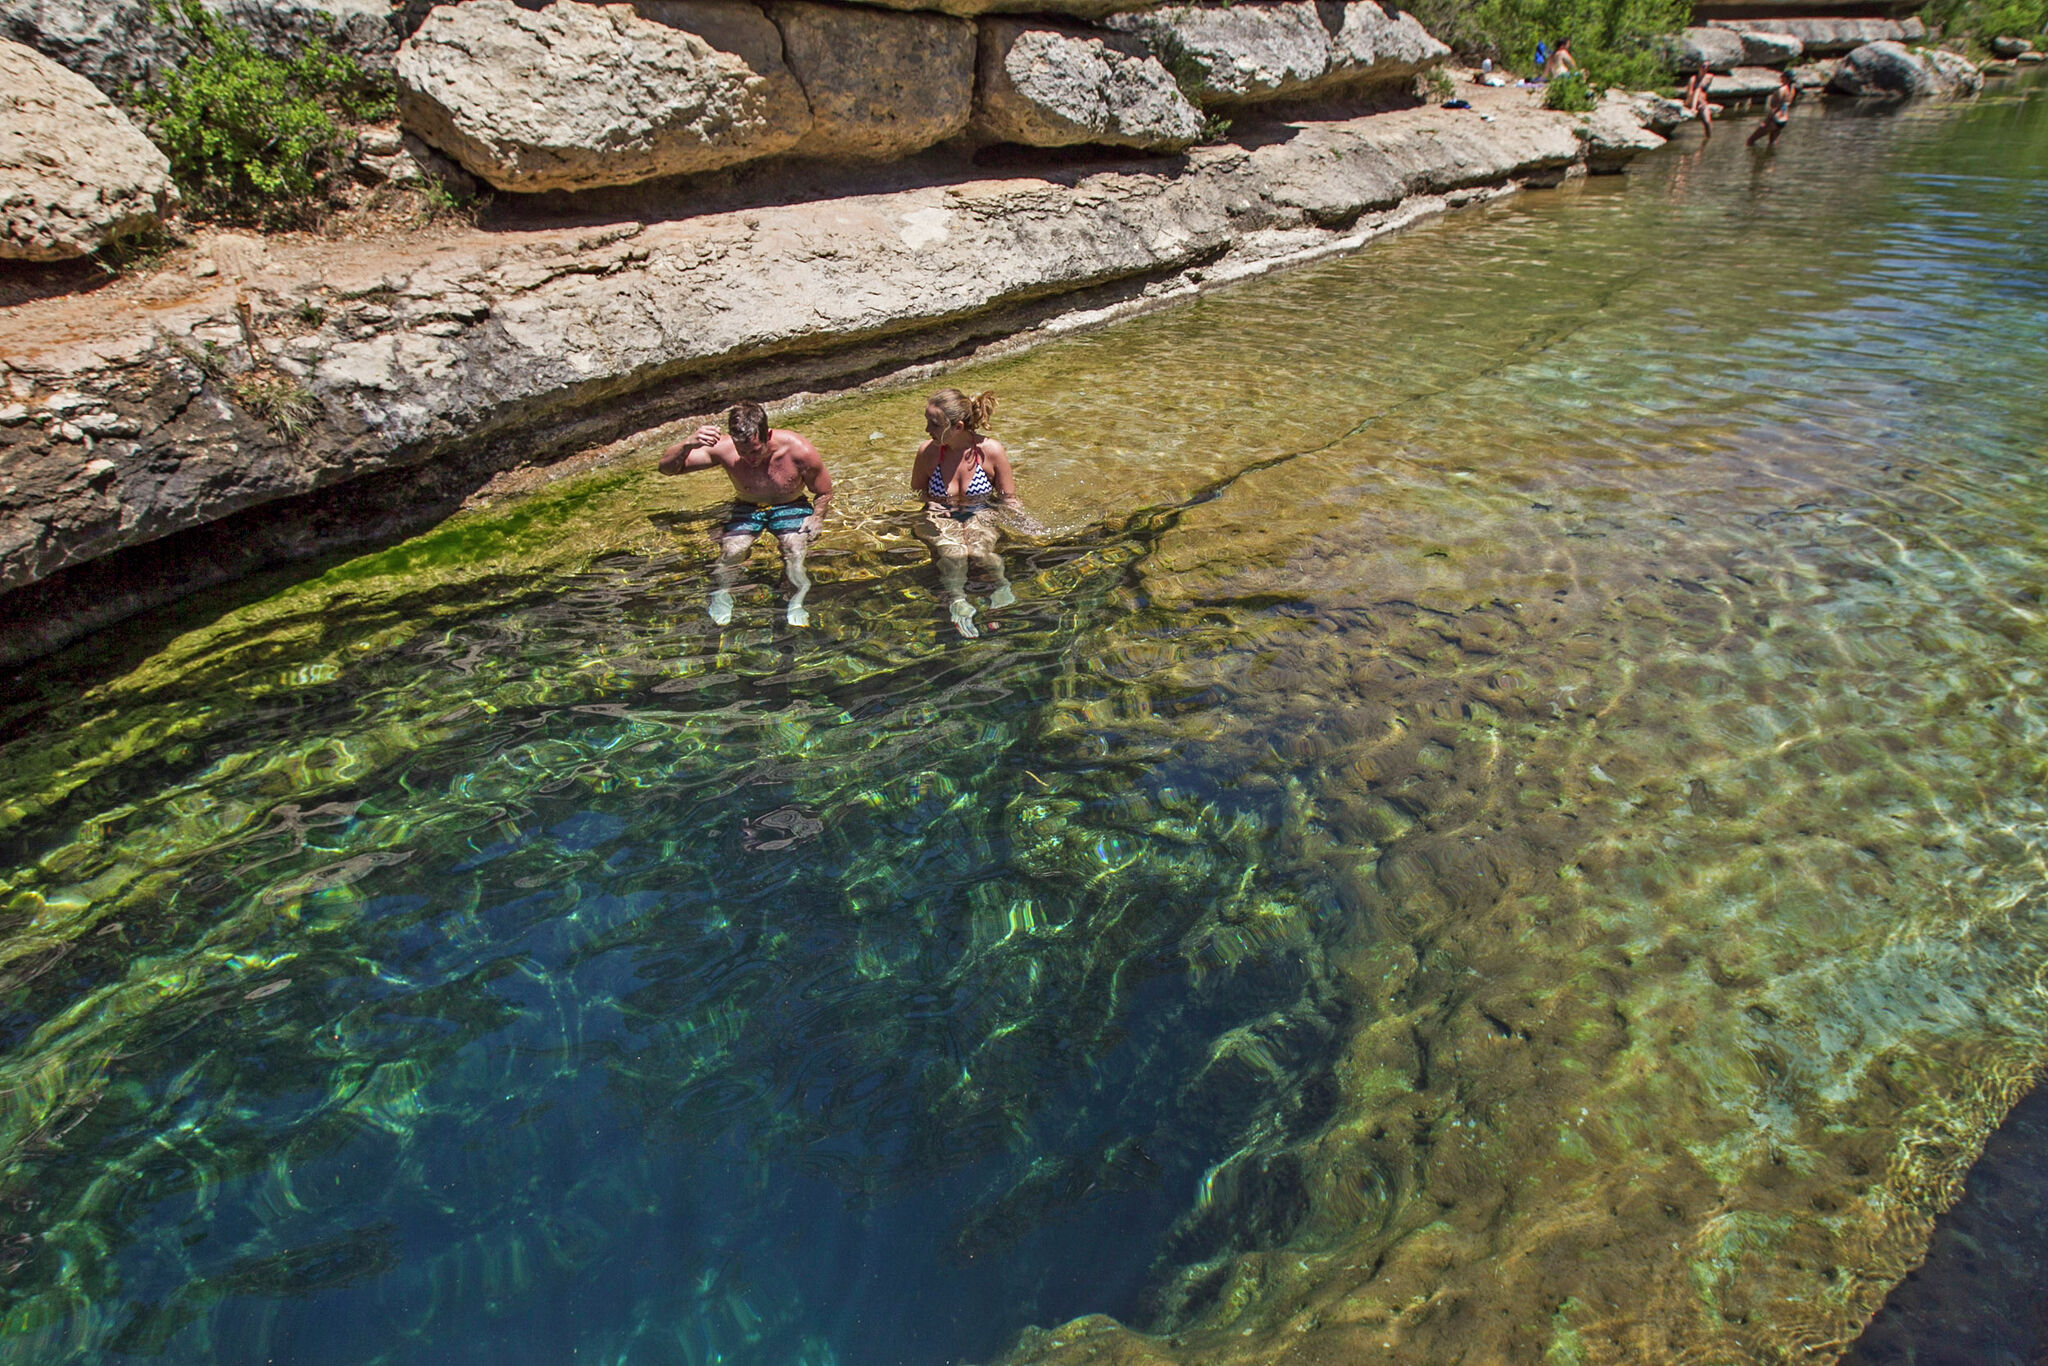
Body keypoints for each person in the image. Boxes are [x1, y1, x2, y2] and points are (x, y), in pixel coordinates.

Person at [659, 401, 833, 627]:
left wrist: (817, 516)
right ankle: (721, 593)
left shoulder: (799, 451)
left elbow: (824, 491)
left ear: (767, 435)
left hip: (790, 505)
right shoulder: (724, 449)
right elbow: (667, 469)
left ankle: (797, 600)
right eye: (743, 452)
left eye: (755, 450)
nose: (750, 459)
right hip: (748, 507)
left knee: (794, 547)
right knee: (732, 550)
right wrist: (687, 444)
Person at [910, 388, 1032, 639]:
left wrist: (1027, 522)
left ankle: (1000, 585)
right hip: (940, 512)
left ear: (958, 427)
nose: (926, 430)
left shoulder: (991, 451)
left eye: (934, 424)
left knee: (978, 552)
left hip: (981, 510)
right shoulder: (927, 452)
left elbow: (1008, 497)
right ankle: (957, 600)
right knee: (953, 552)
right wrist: (931, 505)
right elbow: (918, 493)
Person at [1748, 69, 1796, 147]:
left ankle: (1756, 158)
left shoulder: (1782, 90)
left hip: (1774, 119)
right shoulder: (1792, 90)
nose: (1780, 78)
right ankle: (1771, 159)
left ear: (1786, 78)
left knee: (1750, 141)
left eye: (1782, 76)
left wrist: (1766, 122)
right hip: (1783, 120)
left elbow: (1776, 107)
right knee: (1772, 144)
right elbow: (1786, 104)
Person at [1683, 60, 1715, 138]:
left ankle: (1708, 138)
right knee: (1698, 90)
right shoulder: (1693, 79)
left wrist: (1701, 101)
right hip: (1690, 101)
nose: (1705, 69)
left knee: (1707, 121)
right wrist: (1698, 99)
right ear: (1700, 67)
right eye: (1704, 66)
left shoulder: (1709, 77)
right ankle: (1693, 109)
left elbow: (1705, 93)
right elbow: (1689, 94)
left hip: (1701, 102)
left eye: (1708, 67)